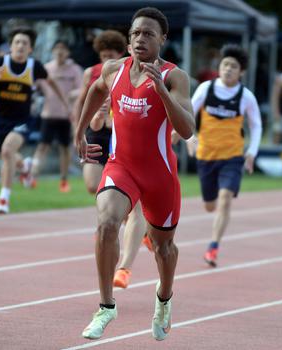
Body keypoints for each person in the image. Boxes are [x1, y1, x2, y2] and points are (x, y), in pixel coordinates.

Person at [75, 7, 194, 341]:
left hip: (159, 175)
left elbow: (187, 129)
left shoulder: (174, 76)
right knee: (106, 223)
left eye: (149, 34)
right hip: (121, 166)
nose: (141, 39)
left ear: (162, 40)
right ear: (129, 37)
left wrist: (162, 92)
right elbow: (97, 89)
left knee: (163, 249)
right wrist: (80, 131)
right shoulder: (114, 69)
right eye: (136, 33)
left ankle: (164, 299)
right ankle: (106, 306)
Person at [73, 30, 149, 289]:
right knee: (92, 185)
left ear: (122, 52)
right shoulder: (93, 73)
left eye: (111, 55)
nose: (106, 59)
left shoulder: (131, 73)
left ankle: (125, 253)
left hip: (124, 134)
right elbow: (87, 99)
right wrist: (82, 126)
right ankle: (119, 216)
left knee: (128, 203)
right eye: (103, 56)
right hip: (98, 131)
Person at [0, 27, 68, 214]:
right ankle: (25, 166)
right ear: (11, 46)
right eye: (17, 42)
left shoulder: (34, 67)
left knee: (7, 150)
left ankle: (4, 198)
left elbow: (51, 82)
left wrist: (64, 103)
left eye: (25, 43)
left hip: (23, 120)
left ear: (30, 48)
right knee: (7, 155)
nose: (20, 46)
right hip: (2, 120)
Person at [186, 44, 262, 267]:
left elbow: (256, 126)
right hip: (206, 155)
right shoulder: (205, 89)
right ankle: (213, 231)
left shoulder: (246, 96)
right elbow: (187, 114)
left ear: (241, 72)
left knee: (225, 199)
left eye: (234, 66)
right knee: (210, 205)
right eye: (225, 64)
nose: (228, 69)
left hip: (232, 157)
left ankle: (213, 246)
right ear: (219, 67)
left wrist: (251, 153)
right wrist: (189, 137)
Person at [28, 40, 83, 192]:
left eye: (63, 49)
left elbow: (82, 89)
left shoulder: (75, 70)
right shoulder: (46, 68)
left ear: (68, 52)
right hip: (48, 114)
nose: (60, 52)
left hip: (66, 115)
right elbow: (34, 86)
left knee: (65, 149)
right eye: (57, 49)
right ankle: (32, 177)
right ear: (53, 51)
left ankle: (64, 180)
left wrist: (70, 95)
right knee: (42, 146)